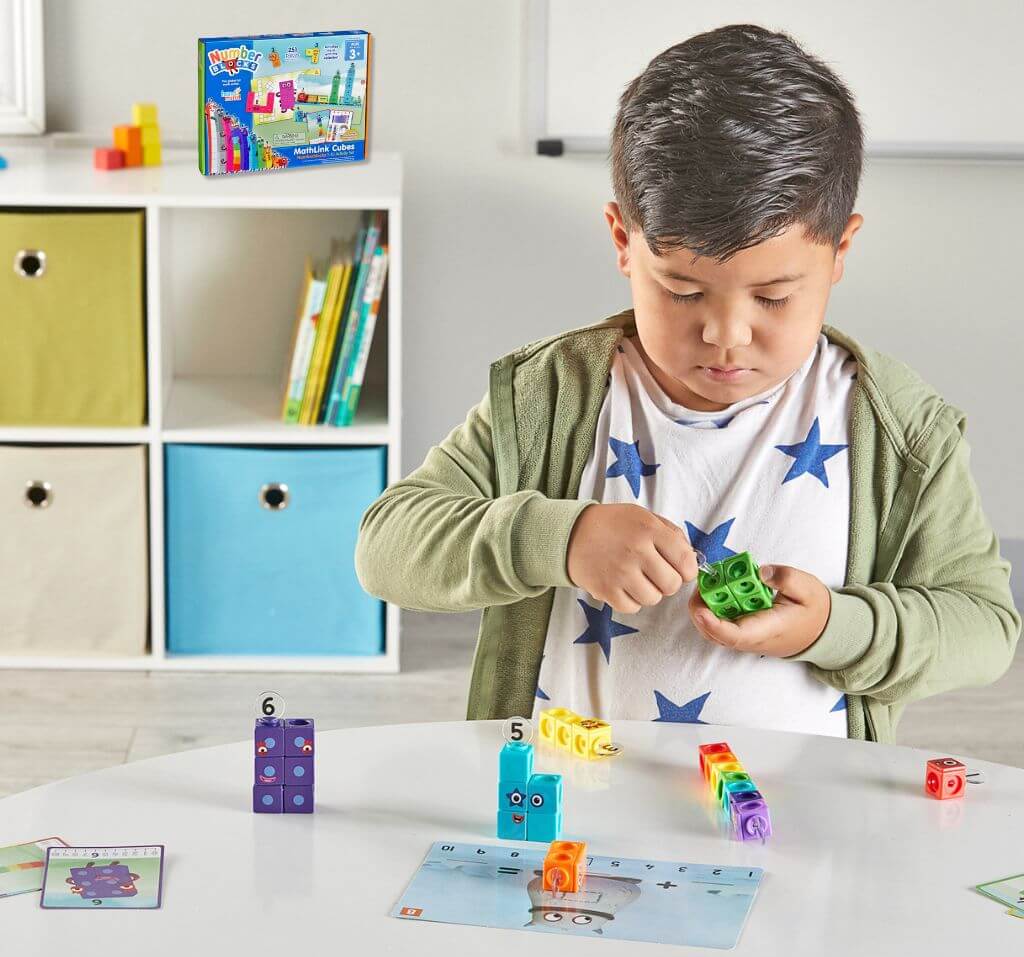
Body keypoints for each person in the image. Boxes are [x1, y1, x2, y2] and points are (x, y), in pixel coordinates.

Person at [355, 24, 1019, 742]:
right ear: (622, 242)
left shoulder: (898, 430)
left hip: (804, 823)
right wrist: (561, 537)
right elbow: (387, 544)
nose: (726, 335)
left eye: (772, 297)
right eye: (681, 290)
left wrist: (834, 625)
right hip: (570, 809)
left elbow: (983, 626)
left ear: (840, 252)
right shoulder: (552, 397)